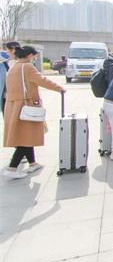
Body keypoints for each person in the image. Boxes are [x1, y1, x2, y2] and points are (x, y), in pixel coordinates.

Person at [2, 46, 66, 179]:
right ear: (30, 55)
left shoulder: (14, 66)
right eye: (34, 56)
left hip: (13, 106)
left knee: (26, 134)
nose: (34, 58)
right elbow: (43, 80)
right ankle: (12, 168)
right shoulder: (27, 67)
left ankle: (33, 163)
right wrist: (59, 88)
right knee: (25, 138)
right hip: (25, 106)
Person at [1, 42, 20, 115]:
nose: (6, 52)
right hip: (6, 97)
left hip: (19, 98)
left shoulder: (23, 64)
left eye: (7, 50)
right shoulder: (3, 64)